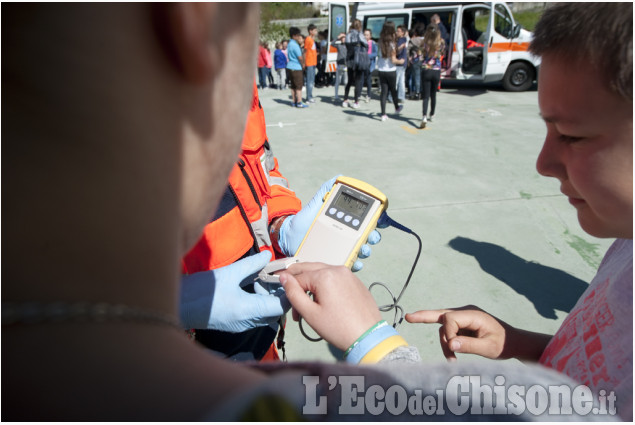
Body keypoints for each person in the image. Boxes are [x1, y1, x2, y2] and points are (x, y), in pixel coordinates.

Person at [3, 3, 622, 421]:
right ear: (194, 24)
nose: (543, 163)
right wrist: (376, 349)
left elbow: (261, 179)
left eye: (570, 134)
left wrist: (282, 229)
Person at [405, 3, 633, 420]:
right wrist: (516, 342)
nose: (542, 164)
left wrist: (377, 353)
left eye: (571, 135)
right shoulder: (626, 242)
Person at [376, 21, 405, 122]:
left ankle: (383, 114)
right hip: (391, 70)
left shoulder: (380, 42)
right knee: (393, 90)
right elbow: (393, 60)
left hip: (381, 69)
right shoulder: (392, 43)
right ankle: (396, 107)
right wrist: (400, 61)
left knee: (384, 92)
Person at [419, 23, 445, 129]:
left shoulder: (424, 42)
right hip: (436, 71)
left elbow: (420, 56)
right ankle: (432, 114)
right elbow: (442, 53)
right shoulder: (441, 43)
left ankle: (424, 116)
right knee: (433, 94)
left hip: (426, 70)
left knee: (425, 96)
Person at [342, 19, 367, 109]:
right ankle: (356, 101)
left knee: (349, 81)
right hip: (359, 60)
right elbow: (366, 44)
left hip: (350, 60)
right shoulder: (360, 34)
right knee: (358, 81)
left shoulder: (348, 35)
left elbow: (347, 46)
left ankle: (345, 100)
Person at [285, 27, 308, 108]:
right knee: (299, 86)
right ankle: (299, 102)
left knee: (293, 85)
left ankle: (294, 101)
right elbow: (300, 57)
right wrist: (303, 64)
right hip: (297, 67)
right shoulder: (295, 45)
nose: (299, 37)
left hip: (290, 66)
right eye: (298, 35)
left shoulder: (289, 44)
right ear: (294, 35)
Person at [407, 23, 425, 100]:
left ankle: (416, 92)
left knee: (416, 77)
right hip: (424, 60)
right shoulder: (425, 40)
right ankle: (422, 92)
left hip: (415, 60)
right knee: (422, 77)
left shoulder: (412, 40)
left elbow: (407, 51)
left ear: (416, 32)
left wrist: (408, 59)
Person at [362, 28, 378, 103]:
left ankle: (368, 95)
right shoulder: (361, 43)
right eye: (364, 34)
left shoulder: (373, 43)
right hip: (362, 63)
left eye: (367, 35)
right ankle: (358, 94)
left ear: (370, 35)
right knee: (361, 79)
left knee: (368, 80)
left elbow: (376, 53)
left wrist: (368, 56)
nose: (366, 36)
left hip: (370, 64)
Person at [304, 24, 318, 103]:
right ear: (310, 31)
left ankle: (310, 96)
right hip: (309, 63)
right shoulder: (308, 39)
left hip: (313, 62)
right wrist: (304, 63)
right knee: (309, 81)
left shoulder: (312, 40)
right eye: (315, 30)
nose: (316, 32)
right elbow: (305, 51)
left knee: (312, 81)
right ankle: (308, 97)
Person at [331, 32, 347, 102]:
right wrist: (338, 37)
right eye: (342, 38)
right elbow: (332, 44)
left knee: (346, 81)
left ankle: (346, 95)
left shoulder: (348, 45)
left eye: (344, 38)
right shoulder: (339, 45)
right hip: (339, 65)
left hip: (346, 65)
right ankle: (336, 95)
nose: (343, 39)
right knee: (338, 81)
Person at [394, 25, 408, 103]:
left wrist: (398, 48)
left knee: (396, 81)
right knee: (401, 81)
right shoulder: (405, 39)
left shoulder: (400, 40)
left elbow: (397, 52)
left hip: (399, 62)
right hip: (404, 63)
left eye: (398, 31)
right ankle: (401, 96)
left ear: (402, 32)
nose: (396, 32)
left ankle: (393, 96)